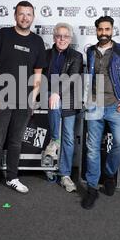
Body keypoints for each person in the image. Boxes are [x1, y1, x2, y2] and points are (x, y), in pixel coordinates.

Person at [0, 1, 46, 199]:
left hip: (24, 100)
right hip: (1, 98)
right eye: (21, 14)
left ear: (33, 17)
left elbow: (37, 74)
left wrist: (33, 99)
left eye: (28, 14)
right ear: (15, 15)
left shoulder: (37, 41)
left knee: (16, 141)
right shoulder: (2, 35)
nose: (25, 17)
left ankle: (12, 177)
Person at [82, 16, 120, 209]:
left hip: (116, 105)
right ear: (96, 30)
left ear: (112, 30)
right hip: (94, 105)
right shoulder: (90, 51)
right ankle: (91, 188)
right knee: (92, 148)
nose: (104, 32)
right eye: (100, 29)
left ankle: (109, 173)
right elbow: (87, 78)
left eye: (107, 29)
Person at [43, 23, 83, 192]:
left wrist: (57, 93)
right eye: (59, 36)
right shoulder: (45, 55)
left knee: (67, 137)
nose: (62, 39)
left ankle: (64, 173)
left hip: (69, 99)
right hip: (49, 96)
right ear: (54, 37)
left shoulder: (76, 56)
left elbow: (73, 77)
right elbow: (39, 77)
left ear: (70, 38)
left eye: (65, 36)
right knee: (54, 101)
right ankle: (51, 164)